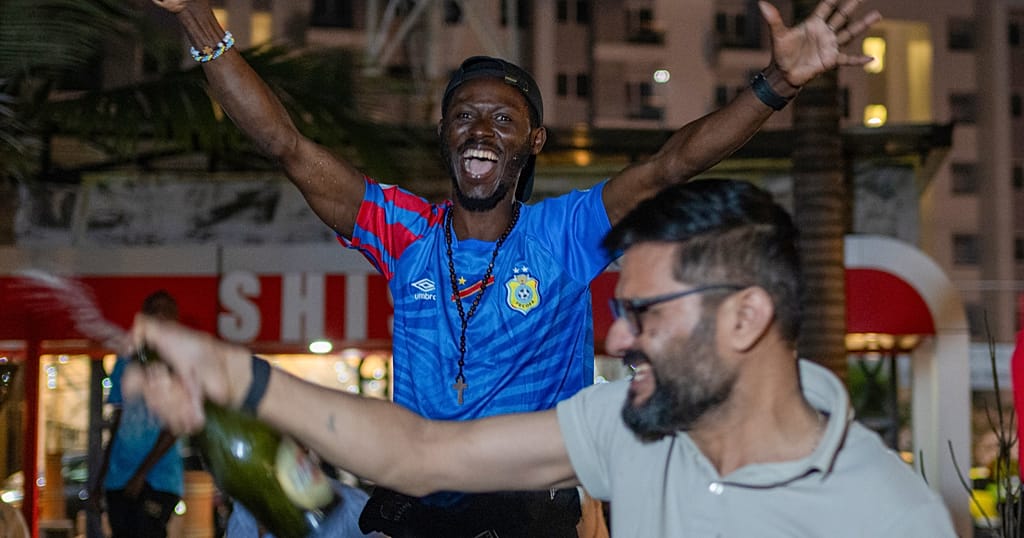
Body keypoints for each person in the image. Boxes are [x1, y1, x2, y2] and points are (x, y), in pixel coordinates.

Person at [151, 0, 881, 534]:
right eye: (464, 115)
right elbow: (287, 146)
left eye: (502, 120)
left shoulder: (566, 232)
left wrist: (775, 86)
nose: (479, 130)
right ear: (444, 133)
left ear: (532, 141)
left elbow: (669, 165)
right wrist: (194, 19)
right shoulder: (402, 231)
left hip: (528, 512)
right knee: (250, 515)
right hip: (414, 503)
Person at [123, 178, 957, 536]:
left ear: (745, 317)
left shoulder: (890, 519)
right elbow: (419, 453)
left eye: (641, 313)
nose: (617, 337)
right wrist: (239, 377)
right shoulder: (629, 424)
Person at [92, 291, 184, 538]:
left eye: (166, 310)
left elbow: (174, 428)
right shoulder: (126, 361)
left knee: (148, 530)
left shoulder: (179, 365)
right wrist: (101, 477)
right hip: (118, 477)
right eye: (154, 310)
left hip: (159, 479)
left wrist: (141, 474)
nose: (160, 316)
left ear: (176, 319)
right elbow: (118, 422)